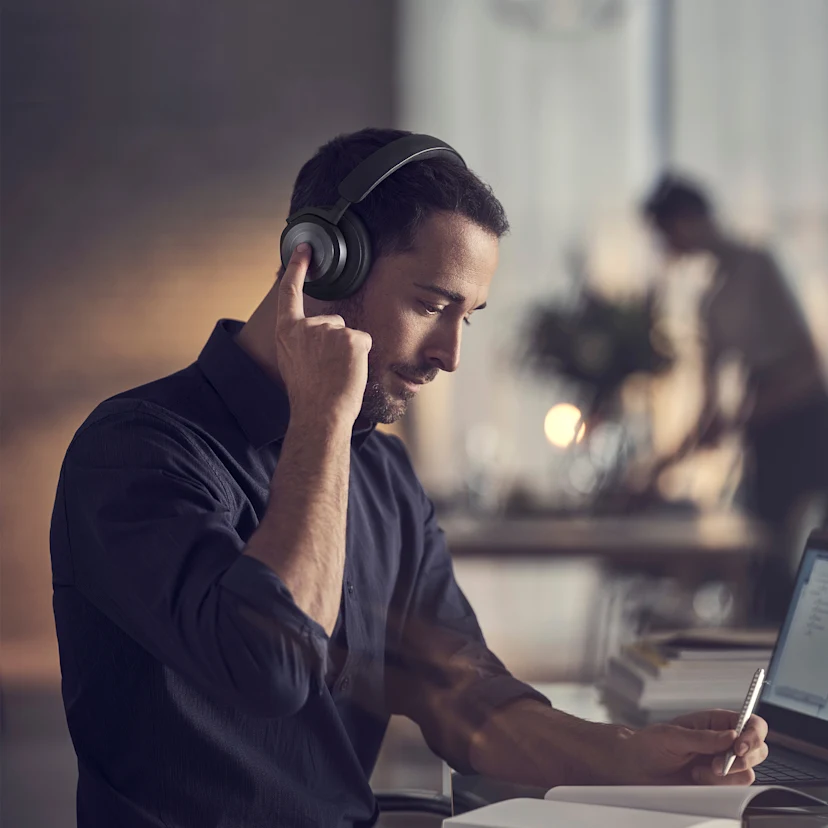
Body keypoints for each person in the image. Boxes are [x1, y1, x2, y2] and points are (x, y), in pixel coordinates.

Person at [51, 130, 768, 828]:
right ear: (320, 265)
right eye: (431, 305)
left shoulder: (382, 470)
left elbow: (467, 699)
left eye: (468, 317)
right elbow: (269, 664)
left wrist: (636, 756)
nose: (451, 354)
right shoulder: (137, 450)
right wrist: (322, 421)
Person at [642, 174, 828, 622]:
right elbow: (711, 407)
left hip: (805, 420)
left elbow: (805, 360)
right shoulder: (709, 300)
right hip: (765, 430)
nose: (667, 244)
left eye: (667, 232)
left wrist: (745, 417)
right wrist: (662, 466)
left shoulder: (757, 265)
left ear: (686, 221)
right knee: (766, 555)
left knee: (805, 549)